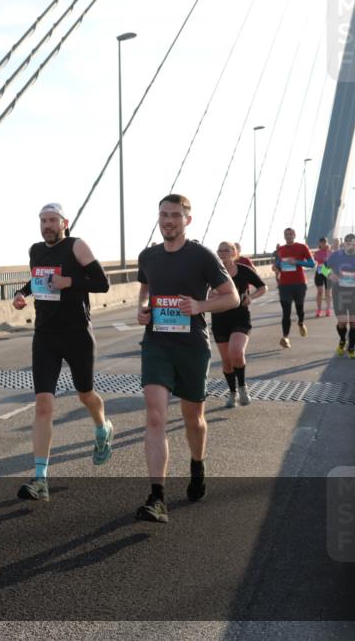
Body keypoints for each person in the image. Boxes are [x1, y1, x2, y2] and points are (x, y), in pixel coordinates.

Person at [134, 195, 238, 523]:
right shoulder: (148, 255)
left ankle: (197, 464)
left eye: (175, 215)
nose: (168, 220)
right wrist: (143, 309)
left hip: (192, 346)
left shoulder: (201, 256)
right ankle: (157, 496)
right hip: (157, 344)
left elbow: (231, 297)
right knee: (155, 415)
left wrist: (199, 307)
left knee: (193, 419)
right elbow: (145, 288)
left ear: (187, 220)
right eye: (163, 214)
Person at [12, 203, 112, 501]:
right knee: (43, 404)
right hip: (45, 335)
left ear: (64, 222)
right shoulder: (35, 250)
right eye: (43, 220)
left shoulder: (77, 246)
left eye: (53, 220)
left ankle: (102, 426)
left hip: (77, 333)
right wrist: (22, 293)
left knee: (85, 395)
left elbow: (103, 284)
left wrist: (69, 282)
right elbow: (38, 279)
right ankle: (40, 478)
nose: (47, 225)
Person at [211, 242, 266, 408]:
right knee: (227, 362)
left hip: (240, 317)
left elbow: (262, 287)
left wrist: (251, 297)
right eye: (219, 250)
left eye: (227, 250)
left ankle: (242, 387)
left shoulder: (243, 270)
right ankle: (232, 392)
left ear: (234, 253)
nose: (222, 253)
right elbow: (201, 291)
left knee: (236, 352)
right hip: (219, 319)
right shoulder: (212, 272)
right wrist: (208, 295)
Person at [273, 227, 314, 348]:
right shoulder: (280, 249)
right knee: (286, 312)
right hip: (284, 284)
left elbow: (312, 264)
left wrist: (297, 262)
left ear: (294, 235)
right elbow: (278, 264)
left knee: (299, 308)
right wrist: (276, 267)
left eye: (290, 234)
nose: (288, 236)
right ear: (284, 236)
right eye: (286, 234)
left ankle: (301, 323)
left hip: (299, 283)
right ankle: (285, 337)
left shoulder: (302, 247)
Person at [313, 237, 333, 318]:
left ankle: (328, 309)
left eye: (325, 242)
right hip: (320, 272)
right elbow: (315, 261)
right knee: (320, 292)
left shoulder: (330, 252)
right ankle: (319, 309)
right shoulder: (317, 253)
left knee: (328, 293)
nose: (324, 244)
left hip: (328, 272)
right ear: (320, 244)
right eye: (322, 242)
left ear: (327, 243)